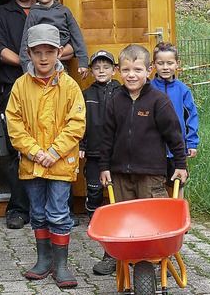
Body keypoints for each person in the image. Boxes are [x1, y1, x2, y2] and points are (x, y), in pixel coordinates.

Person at [5, 24, 86, 288]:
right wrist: (35, 152)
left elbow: (76, 123)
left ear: (60, 52)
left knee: (59, 212)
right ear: (28, 53)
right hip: (32, 163)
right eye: (37, 52)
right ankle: (44, 260)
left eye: (49, 52)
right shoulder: (20, 86)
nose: (43, 58)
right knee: (38, 212)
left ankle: (61, 264)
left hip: (61, 163)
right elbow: (14, 123)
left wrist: (53, 152)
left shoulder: (71, 86)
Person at [98, 43, 188, 223]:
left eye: (137, 70)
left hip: (150, 174)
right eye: (126, 70)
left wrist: (180, 164)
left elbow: (174, 134)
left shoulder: (159, 101)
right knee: (124, 219)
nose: (131, 75)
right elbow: (107, 137)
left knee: (152, 219)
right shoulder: (115, 102)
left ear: (149, 70)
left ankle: (156, 251)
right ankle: (124, 251)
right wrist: (104, 167)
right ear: (118, 71)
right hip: (120, 173)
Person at [0, 0, 34, 230]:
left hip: (50, 89)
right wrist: (29, 63)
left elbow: (71, 46)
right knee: (18, 149)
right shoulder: (1, 13)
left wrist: (46, 64)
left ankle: (56, 208)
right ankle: (18, 209)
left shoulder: (51, 8)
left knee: (50, 146)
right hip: (14, 89)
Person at [78, 50, 122, 276]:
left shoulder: (122, 92)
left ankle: (118, 226)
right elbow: (81, 122)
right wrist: (82, 145)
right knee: (94, 189)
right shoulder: (86, 94)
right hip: (94, 152)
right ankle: (94, 220)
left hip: (117, 153)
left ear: (115, 70)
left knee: (117, 192)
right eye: (97, 67)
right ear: (91, 71)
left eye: (106, 67)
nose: (102, 71)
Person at [18, 0, 89, 80]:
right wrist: (26, 69)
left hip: (61, 61)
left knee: (61, 88)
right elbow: (25, 41)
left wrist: (83, 62)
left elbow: (77, 36)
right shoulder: (34, 13)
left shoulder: (64, 12)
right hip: (40, 62)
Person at [151, 41, 199, 199]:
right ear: (153, 64)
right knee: (155, 184)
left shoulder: (183, 90)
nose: (165, 67)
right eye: (161, 63)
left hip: (175, 148)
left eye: (169, 63)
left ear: (177, 64)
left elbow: (191, 116)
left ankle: (178, 213)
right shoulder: (148, 89)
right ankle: (160, 216)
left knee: (178, 180)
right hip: (154, 148)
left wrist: (191, 142)